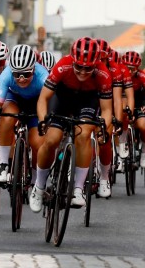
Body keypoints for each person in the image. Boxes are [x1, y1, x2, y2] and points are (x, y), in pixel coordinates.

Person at [31, 37, 116, 210]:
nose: (83, 72)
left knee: (83, 134)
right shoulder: (63, 65)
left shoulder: (103, 74)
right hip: (62, 99)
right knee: (51, 140)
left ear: (95, 63)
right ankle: (38, 187)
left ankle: (77, 189)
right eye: (79, 66)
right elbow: (43, 98)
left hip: (87, 101)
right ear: (73, 61)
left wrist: (103, 128)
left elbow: (107, 110)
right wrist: (42, 120)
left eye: (88, 68)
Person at [0, 44, 47, 183]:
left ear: (34, 69)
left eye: (27, 73)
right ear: (12, 71)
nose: (22, 78)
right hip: (15, 98)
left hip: (36, 102)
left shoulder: (44, 77)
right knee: (7, 117)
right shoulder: (6, 75)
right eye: (17, 74)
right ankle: (3, 164)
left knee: (38, 143)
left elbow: (49, 103)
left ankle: (36, 180)